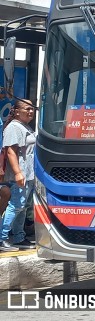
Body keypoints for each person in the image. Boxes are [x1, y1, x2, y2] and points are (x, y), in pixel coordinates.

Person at [0, 100, 36, 252]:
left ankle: (19, 237)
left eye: (32, 109)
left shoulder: (24, 126)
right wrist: (18, 173)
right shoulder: (14, 127)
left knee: (23, 206)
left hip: (28, 174)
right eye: (27, 109)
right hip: (20, 174)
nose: (31, 111)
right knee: (16, 205)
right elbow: (11, 151)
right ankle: (2, 238)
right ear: (16, 111)